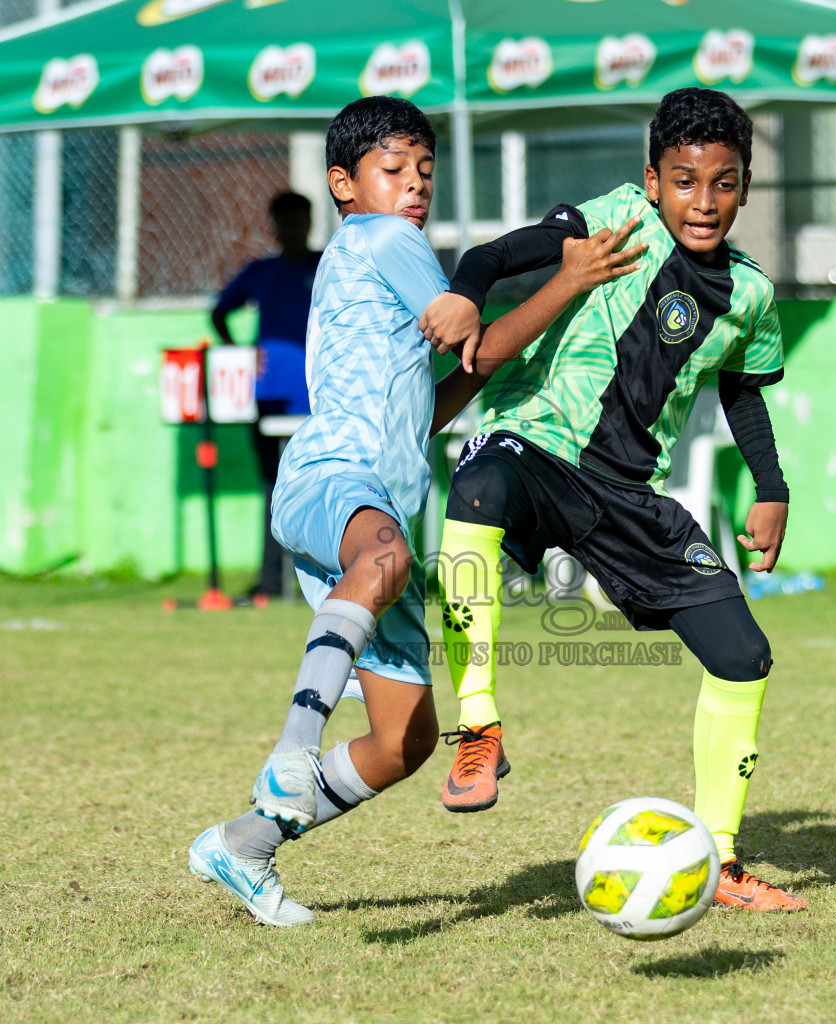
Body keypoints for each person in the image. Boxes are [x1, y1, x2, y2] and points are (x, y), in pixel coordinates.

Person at [187, 96, 646, 926]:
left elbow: (432, 404)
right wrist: (569, 279)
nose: (415, 185)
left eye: (426, 171)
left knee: (406, 740)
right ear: (343, 184)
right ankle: (293, 751)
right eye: (394, 169)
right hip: (334, 478)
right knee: (387, 561)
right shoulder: (389, 240)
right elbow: (473, 335)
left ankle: (243, 844)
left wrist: (526, 337)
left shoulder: (371, 260)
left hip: (377, 512)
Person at [420, 88, 804, 912]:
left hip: (629, 492)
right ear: (653, 181)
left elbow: (742, 391)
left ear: (745, 186)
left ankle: (721, 860)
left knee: (744, 656)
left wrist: (771, 488)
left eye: (724, 183)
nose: (704, 201)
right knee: (479, 482)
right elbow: (497, 253)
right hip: (534, 447)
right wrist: (464, 292)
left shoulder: (750, 294)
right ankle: (479, 726)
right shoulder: (617, 220)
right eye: (685, 181)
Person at [210, 191, 320, 602]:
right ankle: (271, 583)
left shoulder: (327, 266)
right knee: (274, 487)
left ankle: (327, 577)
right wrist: (238, 352)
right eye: (284, 222)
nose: (292, 229)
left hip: (321, 398)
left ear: (310, 223)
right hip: (268, 398)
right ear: (274, 227)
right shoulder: (261, 272)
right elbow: (219, 312)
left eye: (298, 220)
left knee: (321, 485)